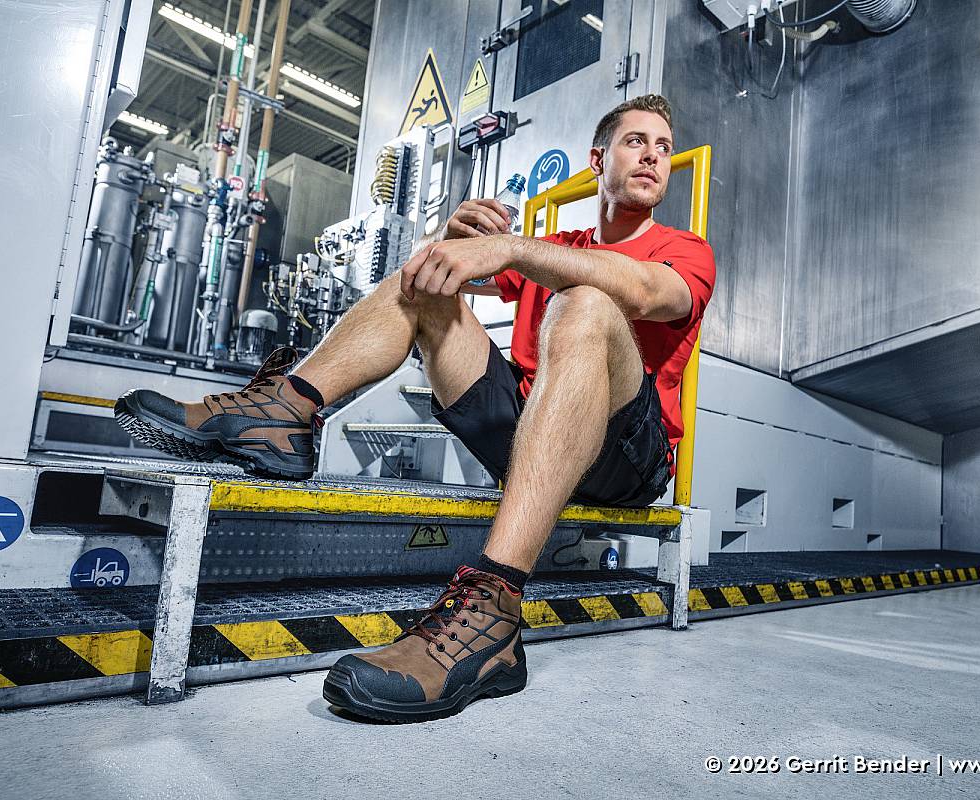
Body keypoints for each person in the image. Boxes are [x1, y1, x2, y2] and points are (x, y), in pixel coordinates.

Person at [114, 93, 716, 722]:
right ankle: (285, 411)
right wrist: (448, 239)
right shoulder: (555, 242)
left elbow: (645, 292)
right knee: (422, 286)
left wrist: (511, 249)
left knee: (586, 300)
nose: (653, 156)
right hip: (533, 439)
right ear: (598, 159)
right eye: (635, 142)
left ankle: (493, 608)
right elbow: (437, 272)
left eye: (663, 147)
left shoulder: (684, 249)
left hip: (625, 459)